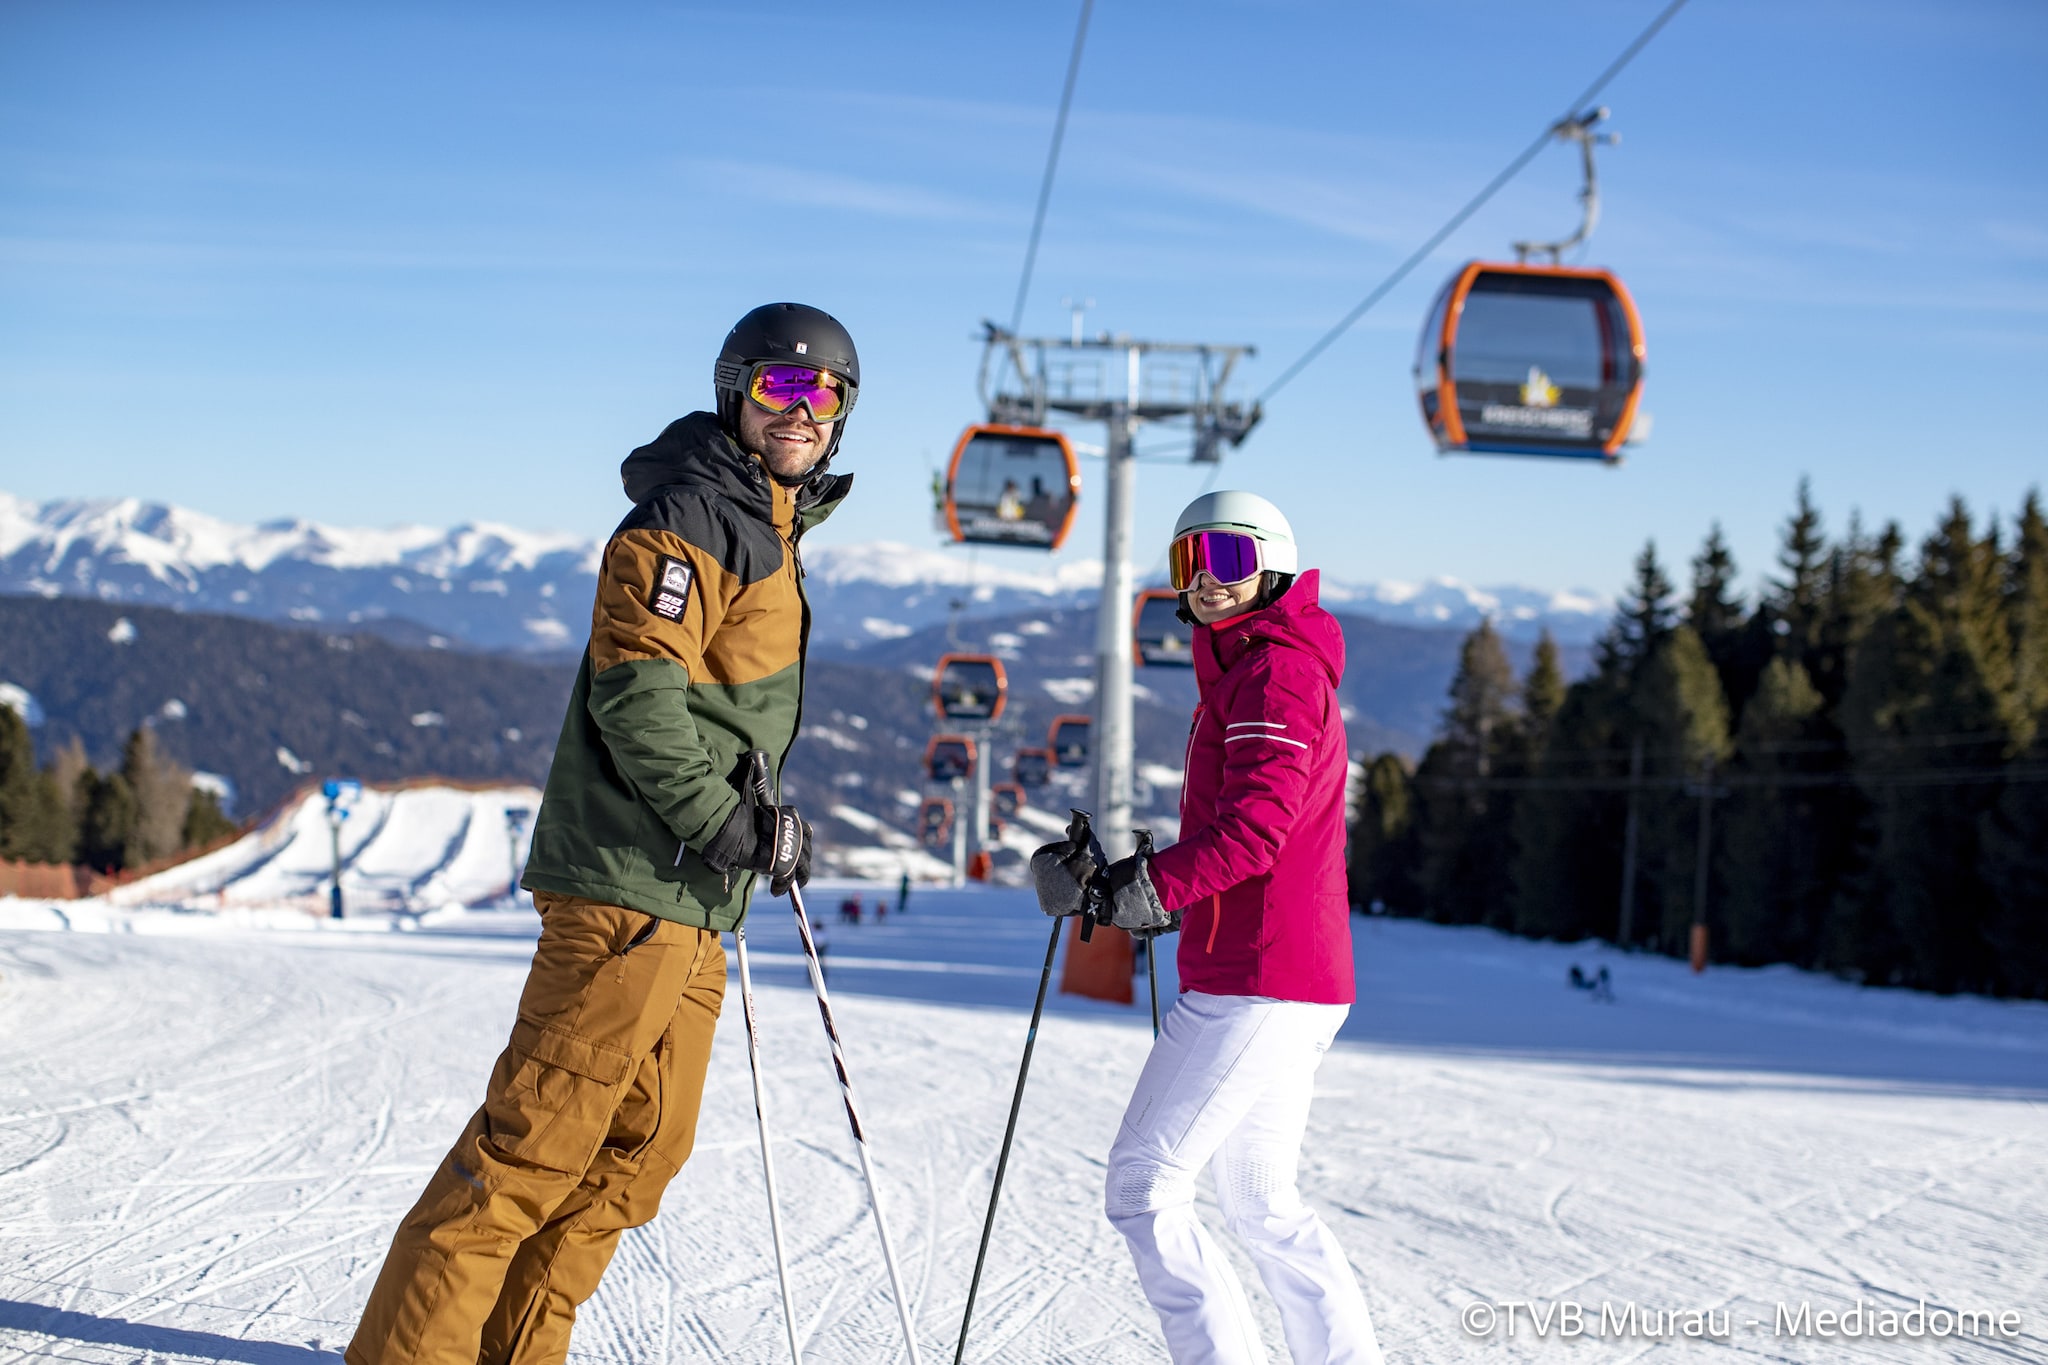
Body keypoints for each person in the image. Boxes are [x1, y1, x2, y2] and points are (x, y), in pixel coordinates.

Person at [345, 303, 859, 1365]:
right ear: (736, 393)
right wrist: (722, 817)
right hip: (632, 886)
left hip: (687, 905)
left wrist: (757, 819)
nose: (800, 411)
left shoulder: (761, 525)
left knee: (639, 1155)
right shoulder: (689, 521)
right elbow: (637, 695)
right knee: (530, 1151)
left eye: (823, 393)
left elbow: (718, 713)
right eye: (779, 388)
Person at [1040, 491, 1382, 1364]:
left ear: (1269, 566)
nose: (1206, 582)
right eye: (1187, 564)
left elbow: (1258, 828)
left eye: (1226, 561)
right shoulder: (1256, 666)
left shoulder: (1276, 672)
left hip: (1259, 978)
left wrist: (1152, 889)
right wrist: (1145, 886)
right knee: (1262, 1204)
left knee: (1144, 1185)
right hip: (1280, 972)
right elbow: (1246, 829)